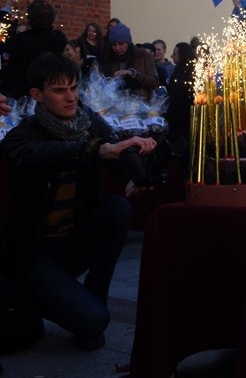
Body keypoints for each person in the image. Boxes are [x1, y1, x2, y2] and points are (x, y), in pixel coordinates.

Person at [0, 53, 158, 350]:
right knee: (93, 323)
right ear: (37, 95)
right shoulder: (23, 135)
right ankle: (40, 299)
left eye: (74, 88)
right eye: (60, 91)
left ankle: (92, 299)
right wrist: (96, 150)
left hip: (73, 243)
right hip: (34, 253)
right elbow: (44, 153)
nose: (71, 97)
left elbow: (113, 148)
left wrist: (135, 172)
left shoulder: (87, 121)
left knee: (117, 208)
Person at [3, 0, 67, 99]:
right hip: (47, 94)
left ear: (29, 20)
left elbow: (3, 35)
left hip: (20, 95)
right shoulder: (58, 39)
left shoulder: (19, 41)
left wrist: (8, 6)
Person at [102, 22, 159, 100]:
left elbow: (155, 83)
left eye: (121, 44)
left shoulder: (143, 56)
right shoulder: (108, 58)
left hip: (140, 103)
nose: (117, 48)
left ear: (128, 43)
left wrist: (134, 74)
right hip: (115, 103)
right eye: (114, 45)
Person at [166, 42, 197, 175]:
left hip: (181, 121)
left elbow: (176, 100)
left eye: (175, 53)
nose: (172, 56)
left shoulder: (180, 74)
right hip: (191, 120)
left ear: (182, 55)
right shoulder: (193, 72)